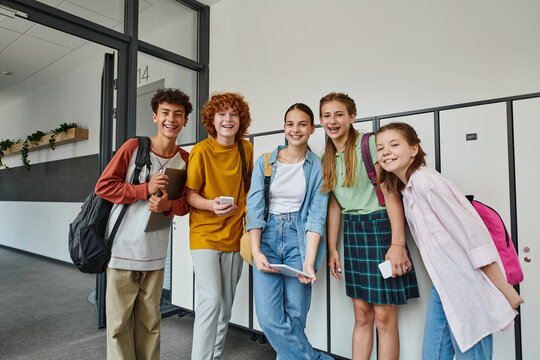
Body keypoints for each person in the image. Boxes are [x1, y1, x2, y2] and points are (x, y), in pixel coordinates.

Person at [375, 122, 523, 360]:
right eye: (380, 148)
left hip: (468, 284)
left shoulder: (426, 182)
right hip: (444, 286)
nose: (385, 152)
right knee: (433, 354)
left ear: (414, 149)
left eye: (394, 144)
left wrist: (505, 290)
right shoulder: (409, 189)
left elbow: (474, 237)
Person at [319, 92, 419, 360]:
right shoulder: (326, 156)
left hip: (381, 230)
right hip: (353, 233)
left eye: (339, 114)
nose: (333, 121)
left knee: (384, 317)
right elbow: (335, 205)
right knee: (362, 315)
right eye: (326, 116)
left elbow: (391, 194)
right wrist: (332, 248)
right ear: (321, 120)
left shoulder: (370, 144)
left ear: (352, 117)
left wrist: (397, 244)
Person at [95, 88, 192, 360]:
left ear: (185, 121)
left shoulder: (186, 160)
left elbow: (186, 203)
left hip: (156, 254)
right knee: (119, 325)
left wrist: (168, 206)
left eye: (178, 114)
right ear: (154, 116)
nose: (171, 119)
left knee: (150, 324)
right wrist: (143, 189)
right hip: (122, 251)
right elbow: (104, 187)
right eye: (165, 113)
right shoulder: (134, 147)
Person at [247, 103, 333, 360]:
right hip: (268, 237)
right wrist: (255, 251)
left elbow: (317, 216)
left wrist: (309, 261)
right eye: (290, 124)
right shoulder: (265, 162)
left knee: (295, 317)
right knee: (270, 319)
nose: (295, 129)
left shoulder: (317, 167)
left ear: (312, 129)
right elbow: (254, 208)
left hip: (300, 239)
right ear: (284, 127)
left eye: (302, 124)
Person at [185, 92, 253, 360]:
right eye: (222, 114)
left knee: (225, 306)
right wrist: (212, 205)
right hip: (204, 234)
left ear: (241, 119)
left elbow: (247, 189)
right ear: (211, 119)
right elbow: (190, 195)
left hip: (235, 234)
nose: (228, 119)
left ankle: (213, 356)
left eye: (233, 114)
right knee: (210, 300)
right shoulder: (201, 151)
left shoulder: (245, 148)